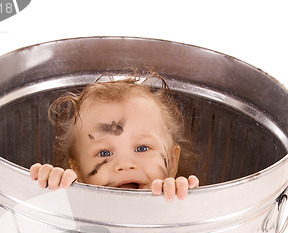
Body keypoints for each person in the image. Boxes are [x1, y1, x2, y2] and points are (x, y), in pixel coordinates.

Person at [30, 72, 199, 201]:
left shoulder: (174, 202)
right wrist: (50, 189)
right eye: (104, 153)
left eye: (142, 148)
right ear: (78, 172)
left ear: (172, 163)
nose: (125, 165)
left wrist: (183, 200)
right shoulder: (75, 206)